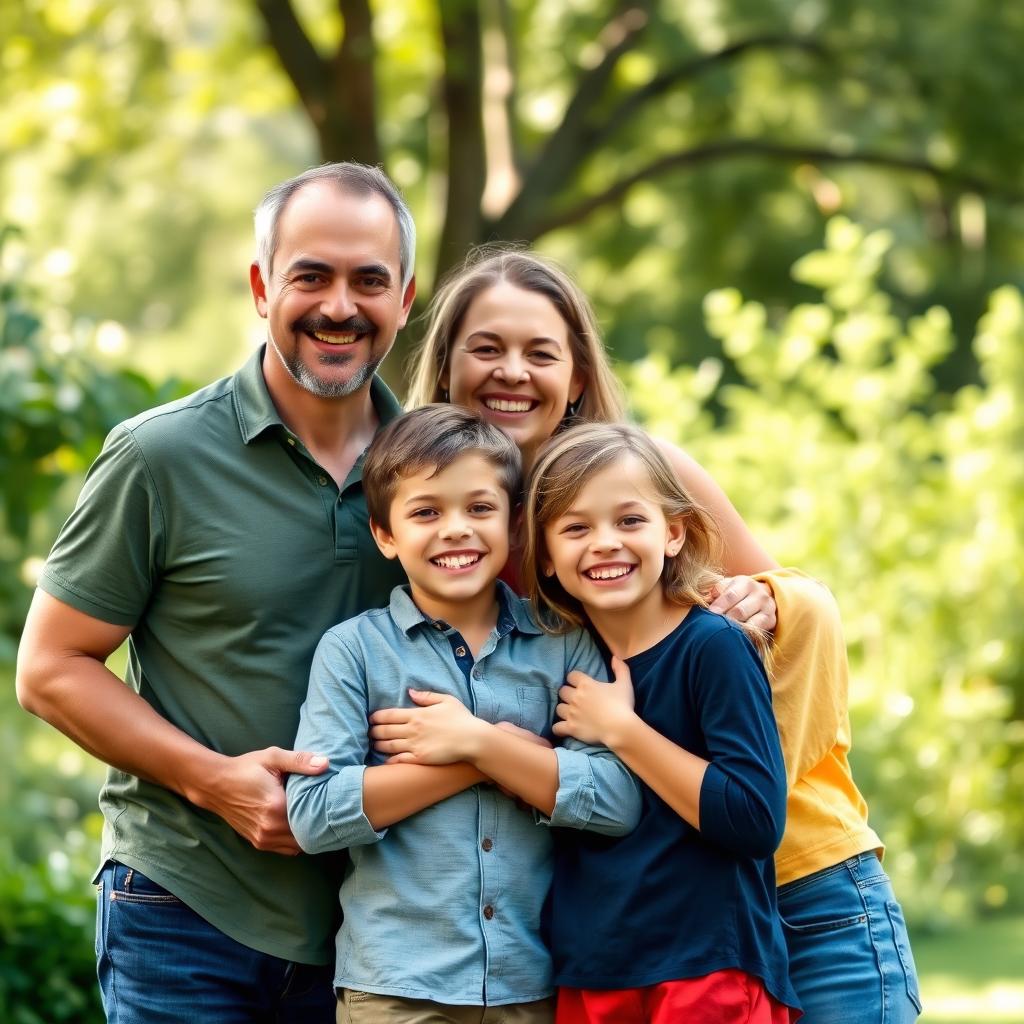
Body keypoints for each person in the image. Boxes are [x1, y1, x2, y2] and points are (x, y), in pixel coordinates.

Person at [408, 247, 921, 1023]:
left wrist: (767, 601)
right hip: (641, 930)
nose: (512, 371)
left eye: (541, 353)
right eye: (487, 349)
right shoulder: (441, 530)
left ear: (578, 376)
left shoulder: (644, 478)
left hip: (794, 885)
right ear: (446, 368)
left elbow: (799, 608)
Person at [15, 162, 418, 1022]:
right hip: (184, 911)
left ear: (405, 298)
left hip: (380, 930)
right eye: (310, 276)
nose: (339, 306)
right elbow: (50, 670)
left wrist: (719, 586)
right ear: (261, 287)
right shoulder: (159, 457)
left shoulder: (442, 473)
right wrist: (214, 782)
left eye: (368, 280)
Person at [286, 404, 640, 1023]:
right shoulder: (355, 651)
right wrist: (490, 758)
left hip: (533, 985)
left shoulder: (564, 643)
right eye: (426, 512)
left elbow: (617, 801)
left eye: (479, 508)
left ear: (514, 524)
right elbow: (314, 814)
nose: (456, 530)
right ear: (385, 535)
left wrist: (475, 742)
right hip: (395, 989)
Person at [522, 421, 799, 1023]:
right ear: (544, 555)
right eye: (575, 528)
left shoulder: (714, 645)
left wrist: (622, 731)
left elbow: (754, 818)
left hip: (706, 971)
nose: (605, 543)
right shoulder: (560, 662)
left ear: (672, 533)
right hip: (592, 973)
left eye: (629, 521)